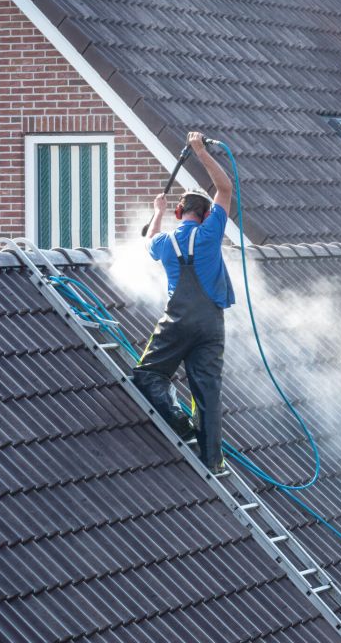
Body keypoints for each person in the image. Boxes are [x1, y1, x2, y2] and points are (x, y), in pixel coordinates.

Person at [134, 131, 236, 474]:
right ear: (207, 216)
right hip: (211, 324)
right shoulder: (211, 234)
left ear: (180, 212)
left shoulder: (164, 242)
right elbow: (225, 189)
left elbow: (148, 239)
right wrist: (200, 153)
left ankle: (177, 421)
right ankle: (212, 460)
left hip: (176, 322)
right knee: (207, 392)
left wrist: (157, 211)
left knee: (148, 374)